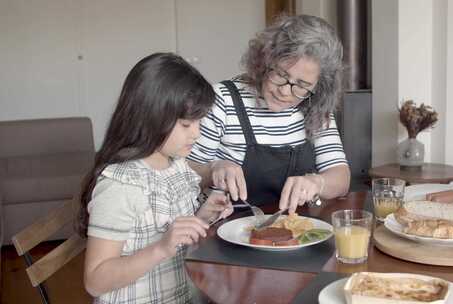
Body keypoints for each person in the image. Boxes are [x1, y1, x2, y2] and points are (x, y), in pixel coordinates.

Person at [78, 53, 232, 304]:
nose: (196, 133)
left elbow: (170, 230)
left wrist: (202, 217)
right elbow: (95, 281)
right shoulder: (121, 186)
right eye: (186, 125)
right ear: (151, 116)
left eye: (198, 123)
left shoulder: (175, 164)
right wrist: (160, 248)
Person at [188, 14, 350, 213]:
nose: (285, 91)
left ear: (319, 86)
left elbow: (341, 177)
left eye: (302, 85)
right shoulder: (222, 100)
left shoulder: (315, 105)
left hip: (296, 231)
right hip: (228, 230)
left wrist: (317, 182)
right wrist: (214, 169)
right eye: (281, 75)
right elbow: (184, 173)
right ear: (265, 61)